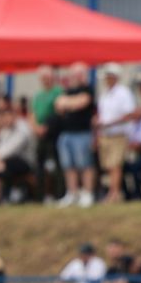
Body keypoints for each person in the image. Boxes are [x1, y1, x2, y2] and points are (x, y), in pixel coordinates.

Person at [52, 68, 97, 207]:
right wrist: (71, 102)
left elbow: (81, 102)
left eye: (76, 74)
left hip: (82, 133)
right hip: (66, 134)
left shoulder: (88, 89)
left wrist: (68, 103)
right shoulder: (67, 91)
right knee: (68, 165)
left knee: (85, 164)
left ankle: (87, 193)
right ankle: (72, 193)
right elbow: (58, 105)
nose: (73, 77)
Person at [93, 69, 138, 203]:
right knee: (108, 165)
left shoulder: (123, 93)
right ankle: (113, 193)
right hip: (105, 135)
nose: (107, 79)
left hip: (118, 134)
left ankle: (114, 194)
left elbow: (129, 114)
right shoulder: (105, 94)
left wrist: (109, 124)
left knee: (115, 164)